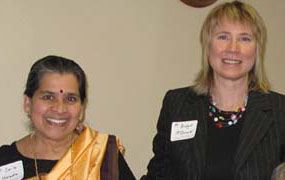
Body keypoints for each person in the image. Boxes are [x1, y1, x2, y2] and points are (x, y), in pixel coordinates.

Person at [141, 1, 285, 180]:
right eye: (223, 37)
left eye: (245, 38)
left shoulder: (280, 111)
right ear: (208, 45)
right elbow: (158, 175)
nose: (233, 48)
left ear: (257, 49)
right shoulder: (177, 104)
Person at [0, 56, 136, 180]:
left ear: (81, 109)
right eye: (48, 97)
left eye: (70, 99)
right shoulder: (4, 161)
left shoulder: (102, 156)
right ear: (28, 104)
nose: (60, 109)